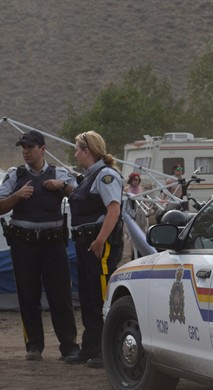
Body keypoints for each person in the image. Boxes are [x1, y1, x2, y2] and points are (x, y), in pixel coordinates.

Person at [0, 130, 79, 361]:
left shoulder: (60, 173)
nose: (26, 151)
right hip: (24, 244)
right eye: (23, 147)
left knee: (60, 295)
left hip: (53, 244)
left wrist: (63, 186)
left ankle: (69, 345)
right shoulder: (15, 175)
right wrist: (18, 196)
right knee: (27, 295)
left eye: (30, 147)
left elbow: (81, 197)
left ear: (43, 148)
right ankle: (34, 345)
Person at [65, 131, 123, 369]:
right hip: (84, 242)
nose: (76, 154)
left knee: (100, 295)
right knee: (88, 296)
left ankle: (105, 348)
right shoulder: (88, 177)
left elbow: (114, 210)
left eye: (78, 149)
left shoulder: (106, 175)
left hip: (99, 244)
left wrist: (100, 239)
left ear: (87, 151)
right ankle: (90, 346)